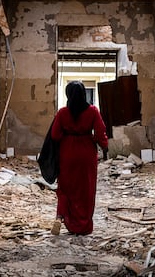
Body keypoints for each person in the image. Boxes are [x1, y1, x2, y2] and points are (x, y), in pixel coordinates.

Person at [50, 81, 108, 235]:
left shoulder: (62, 113)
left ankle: (60, 216)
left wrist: (67, 136)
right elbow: (100, 133)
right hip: (86, 153)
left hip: (67, 152)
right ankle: (84, 225)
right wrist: (103, 145)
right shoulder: (93, 111)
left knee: (66, 188)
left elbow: (55, 135)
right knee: (86, 189)